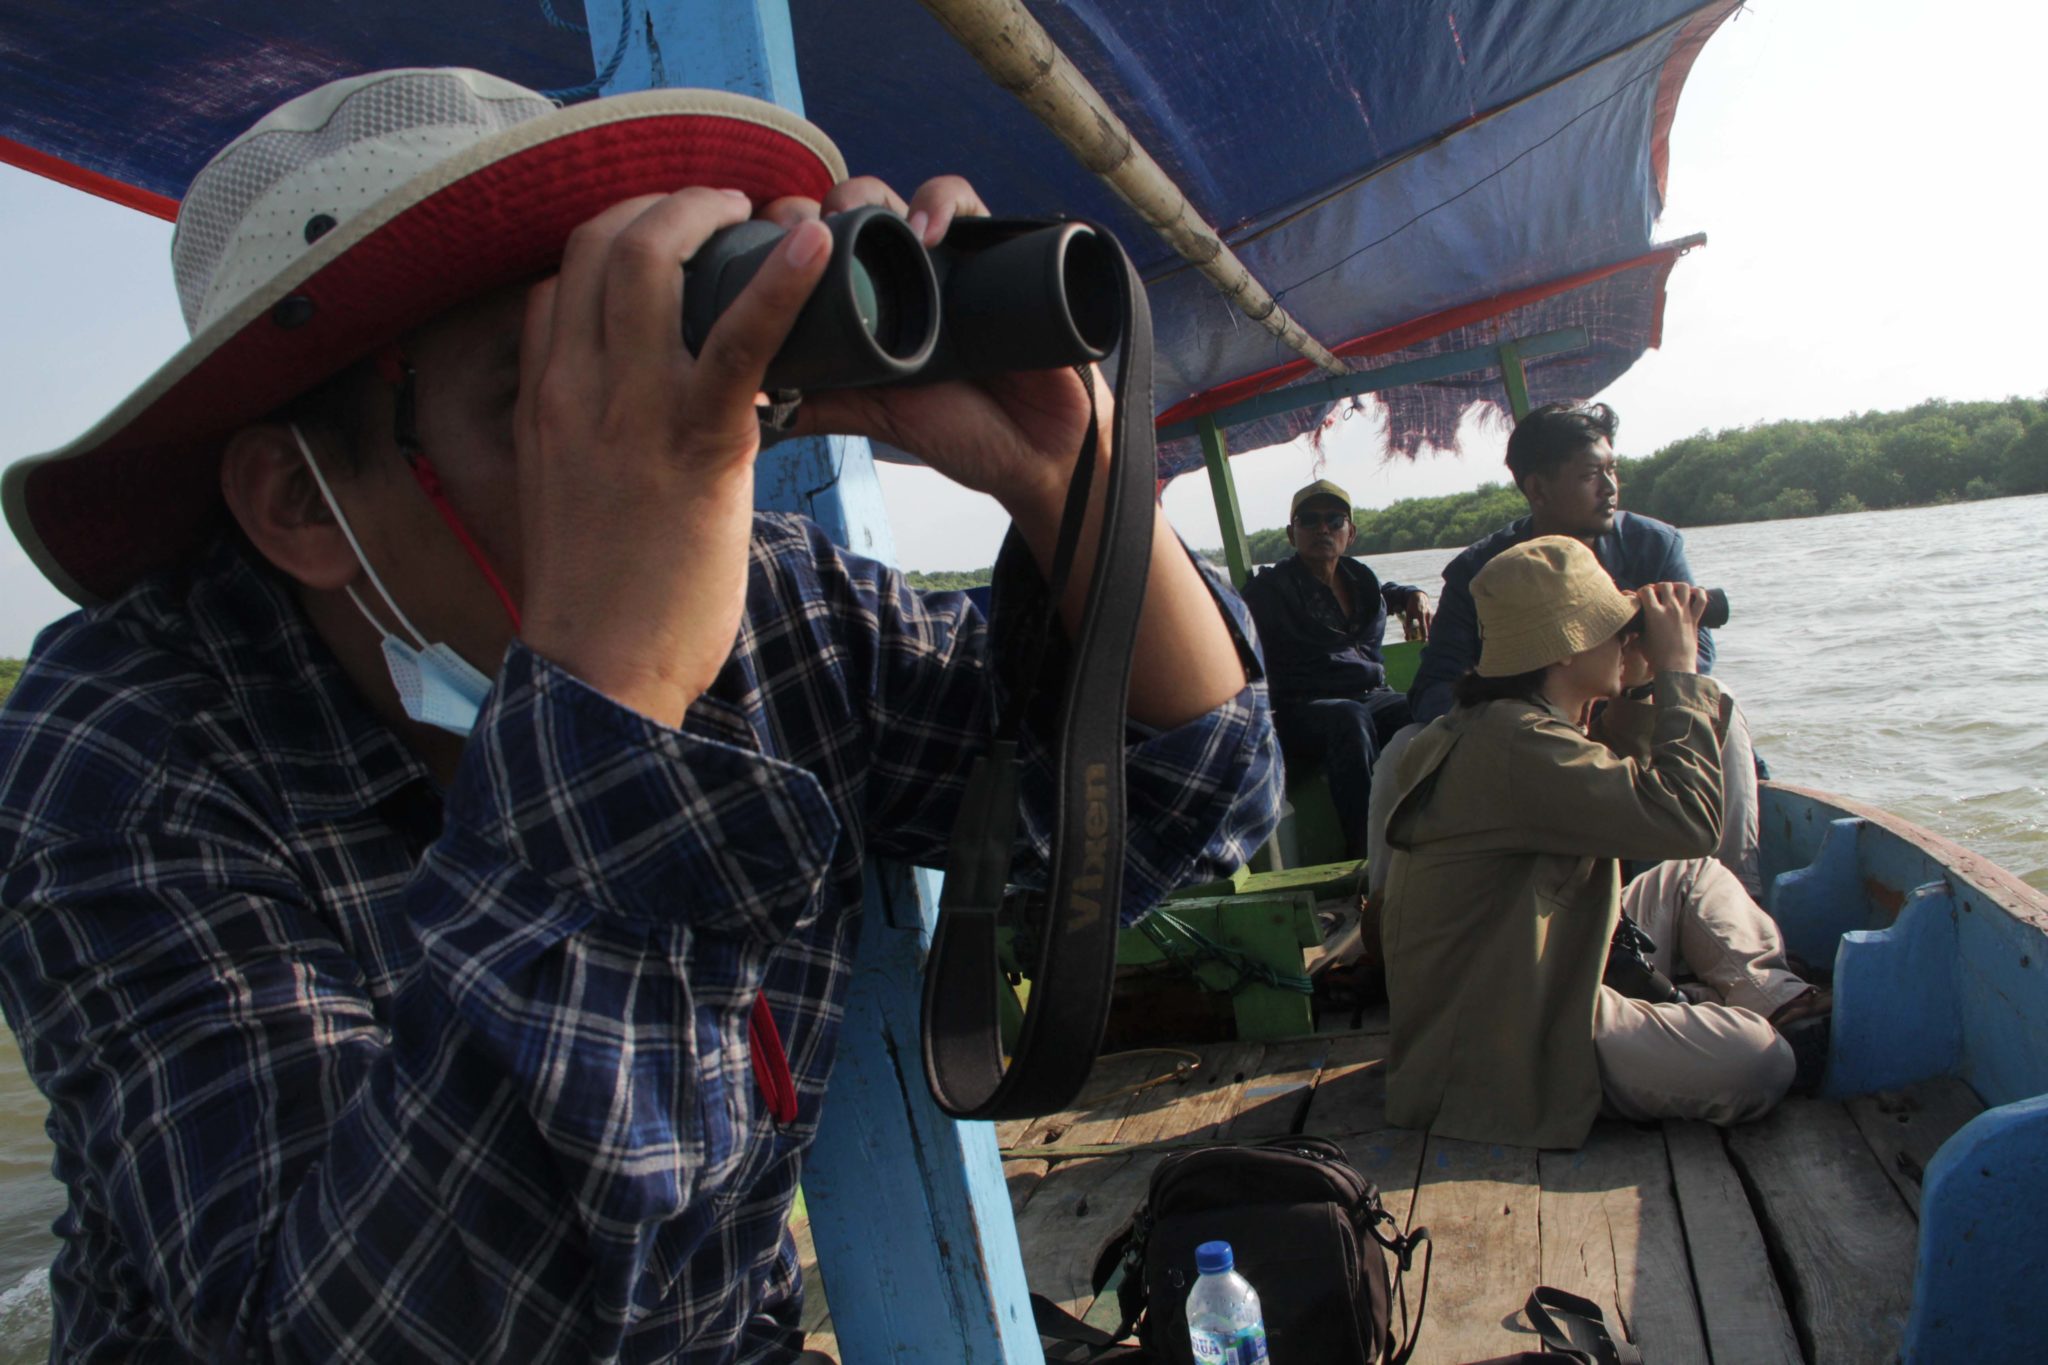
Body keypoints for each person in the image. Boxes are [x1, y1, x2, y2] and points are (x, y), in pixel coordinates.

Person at [0, 70, 1283, 1363]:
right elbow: (368, 1332)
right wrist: (614, 695)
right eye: (550, 394)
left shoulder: (775, 609)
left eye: (653, 356)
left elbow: (1186, 808)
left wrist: (1071, 484)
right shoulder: (127, 748)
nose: (640, 441)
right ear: (298, 499)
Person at [1375, 536, 1826, 1150]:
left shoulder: (1509, 725)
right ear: (1565, 648)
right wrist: (1677, 674)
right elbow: (1688, 817)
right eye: (1614, 627)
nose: (1626, 638)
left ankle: (1773, 1000)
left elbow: (1638, 811)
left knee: (1690, 876)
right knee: (1762, 1062)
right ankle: (1749, 1018)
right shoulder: (1517, 747)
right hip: (1514, 1035)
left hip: (1539, 966)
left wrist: (1637, 688)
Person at [1406, 400, 1760, 892]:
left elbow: (1692, 646)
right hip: (1538, 720)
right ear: (1537, 487)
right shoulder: (1483, 572)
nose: (1610, 487)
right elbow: (1435, 687)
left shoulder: (1653, 545)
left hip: (1626, 702)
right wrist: (1549, 708)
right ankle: (1384, 905)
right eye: (1592, 474)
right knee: (1403, 754)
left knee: (1718, 700)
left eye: (1614, 470)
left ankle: (1740, 883)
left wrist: (1622, 680)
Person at [1240, 479, 1430, 858]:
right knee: (1349, 717)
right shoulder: (1270, 592)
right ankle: (1366, 852)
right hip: (1302, 709)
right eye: (1309, 520)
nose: (1322, 529)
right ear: (1291, 534)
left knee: (1429, 707)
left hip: (1370, 697)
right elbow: (1230, 629)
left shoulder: (1361, 580)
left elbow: (1383, 593)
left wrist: (1413, 594)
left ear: (1351, 533)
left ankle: (1441, 833)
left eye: (1334, 520)